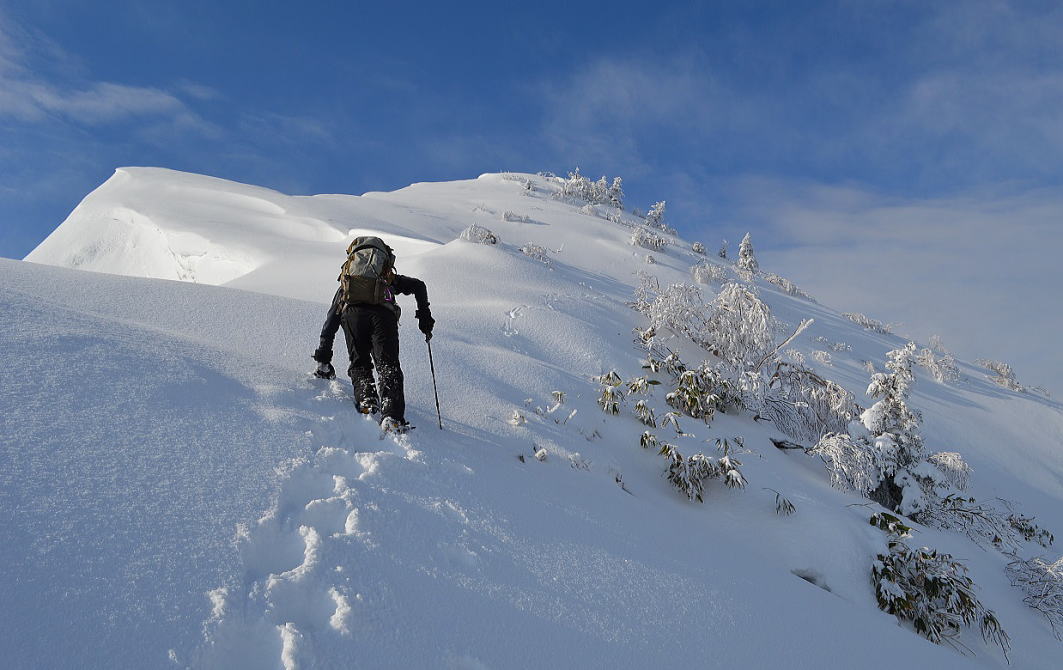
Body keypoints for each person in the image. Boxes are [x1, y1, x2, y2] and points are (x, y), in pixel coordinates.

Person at [312, 237, 434, 431]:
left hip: (352, 315)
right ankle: (392, 416)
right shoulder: (387, 279)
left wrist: (323, 359)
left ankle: (367, 400)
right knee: (388, 366)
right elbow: (419, 286)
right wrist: (424, 318)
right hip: (383, 316)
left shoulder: (347, 284)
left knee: (360, 363)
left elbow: (331, 322)